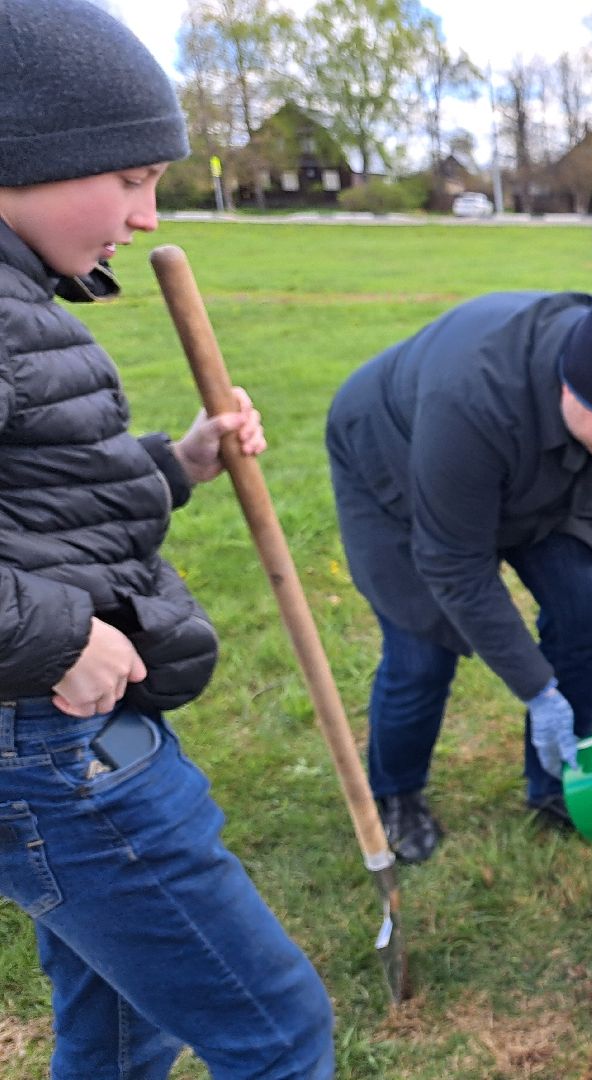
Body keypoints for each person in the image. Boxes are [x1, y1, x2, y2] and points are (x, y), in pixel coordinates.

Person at [0, 1, 335, 1074]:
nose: (147, 216)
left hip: (55, 737)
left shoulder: (17, 304)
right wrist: (56, 633)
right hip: (50, 744)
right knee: (278, 1033)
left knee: (117, 1026)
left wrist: (179, 461)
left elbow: (43, 501)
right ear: (32, 153)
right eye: (134, 176)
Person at [326, 277, 592, 861]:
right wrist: (537, 689)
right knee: (422, 651)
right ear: (572, 388)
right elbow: (455, 565)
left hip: (546, 475)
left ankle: (560, 777)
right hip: (396, 461)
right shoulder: (469, 398)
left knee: (583, 601)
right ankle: (397, 793)